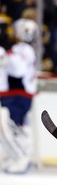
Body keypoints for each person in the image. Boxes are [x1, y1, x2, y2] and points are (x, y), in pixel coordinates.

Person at [0, 18, 39, 174]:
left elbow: (18, 70)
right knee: (15, 128)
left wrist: (5, 59)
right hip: (16, 93)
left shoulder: (23, 49)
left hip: (17, 94)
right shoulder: (22, 49)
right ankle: (16, 157)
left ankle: (23, 159)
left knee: (13, 128)